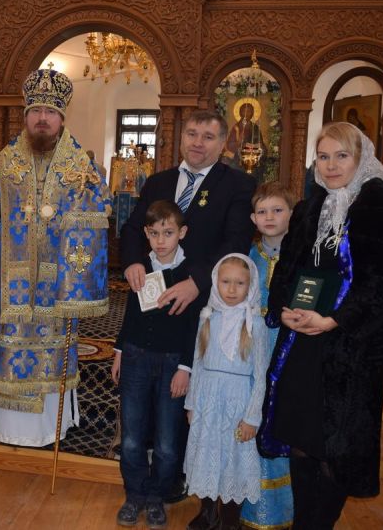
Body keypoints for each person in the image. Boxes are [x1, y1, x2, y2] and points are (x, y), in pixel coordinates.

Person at [257, 122, 383, 528]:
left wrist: (335, 319)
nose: (332, 165)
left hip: (349, 347)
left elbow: (382, 280)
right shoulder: (310, 207)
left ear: (360, 158)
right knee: (302, 439)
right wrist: (283, 308)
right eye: (323, 157)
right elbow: (288, 268)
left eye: (341, 156)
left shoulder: (379, 205)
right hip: (302, 340)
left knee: (334, 448)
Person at [0, 68, 111, 447]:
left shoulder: (80, 166)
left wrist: (79, 284)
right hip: (11, 283)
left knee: (54, 351)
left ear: (61, 118)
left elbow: (101, 213)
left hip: (58, 286)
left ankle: (49, 427)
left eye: (50, 112)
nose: (43, 118)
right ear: (26, 116)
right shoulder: (5, 162)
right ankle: (9, 425)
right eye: (36, 111)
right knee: (10, 345)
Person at [119, 109, 257, 503]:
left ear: (223, 143)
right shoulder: (159, 181)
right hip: (149, 299)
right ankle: (142, 472)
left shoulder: (238, 184)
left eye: (208, 136)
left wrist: (196, 282)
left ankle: (176, 477)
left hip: (203, 301)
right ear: (181, 137)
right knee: (142, 398)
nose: (198, 142)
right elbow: (133, 228)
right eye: (192, 134)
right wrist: (132, 261)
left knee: (180, 397)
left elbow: (234, 242)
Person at [111, 200, 196, 529]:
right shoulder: (141, 267)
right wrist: (119, 350)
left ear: (182, 233)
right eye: (155, 233)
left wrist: (186, 368)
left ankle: (157, 496)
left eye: (168, 233)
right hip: (136, 358)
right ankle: (134, 494)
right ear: (146, 234)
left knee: (167, 441)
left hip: (173, 364)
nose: (161, 241)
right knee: (132, 436)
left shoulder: (190, 274)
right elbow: (132, 314)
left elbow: (195, 325)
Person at [184, 254, 270, 530]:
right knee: (207, 454)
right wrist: (192, 404)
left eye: (239, 283)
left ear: (250, 285)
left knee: (234, 461)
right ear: (216, 282)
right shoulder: (208, 317)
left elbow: (260, 376)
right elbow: (197, 363)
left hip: (238, 404)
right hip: (208, 400)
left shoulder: (256, 324)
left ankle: (231, 520)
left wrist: (252, 417)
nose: (232, 289)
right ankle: (208, 514)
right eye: (226, 282)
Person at [240, 182, 296, 529]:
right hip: (251, 352)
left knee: (281, 419)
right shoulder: (248, 257)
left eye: (278, 210)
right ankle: (247, 508)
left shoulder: (300, 255)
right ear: (253, 218)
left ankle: (283, 511)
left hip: (288, 350)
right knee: (252, 415)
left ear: (292, 214)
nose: (270, 217)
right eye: (262, 211)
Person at [223, 102, 266, 183]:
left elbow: (261, 145)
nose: (246, 114)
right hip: (238, 158)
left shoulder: (255, 128)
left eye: (249, 111)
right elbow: (229, 146)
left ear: (252, 113)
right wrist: (239, 142)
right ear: (240, 113)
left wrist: (259, 147)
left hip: (253, 157)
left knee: (255, 172)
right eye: (244, 111)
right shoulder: (236, 128)